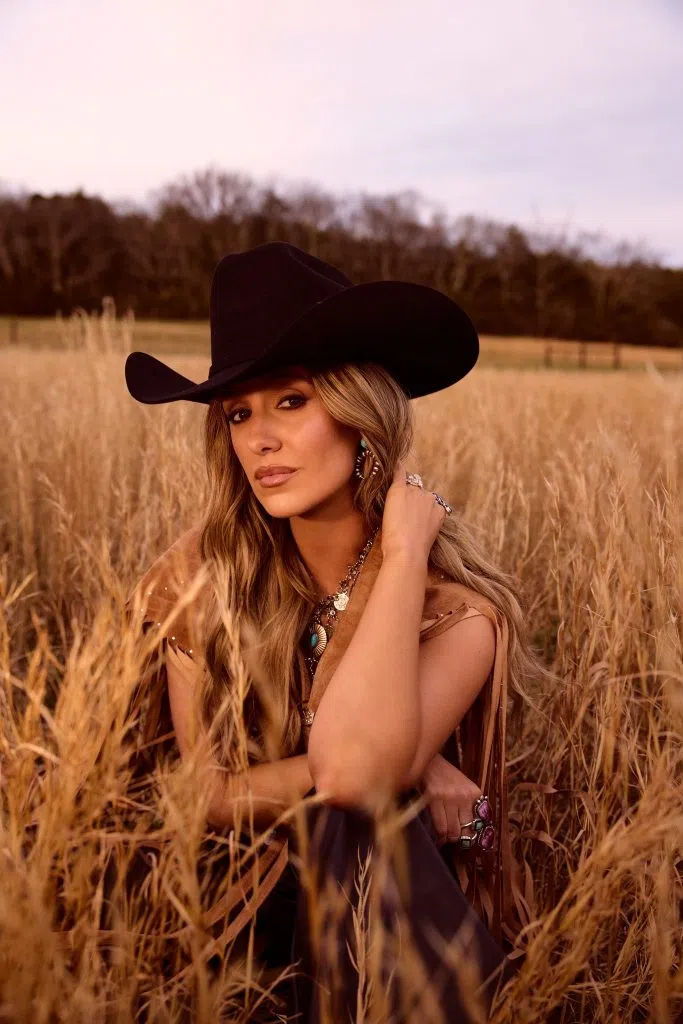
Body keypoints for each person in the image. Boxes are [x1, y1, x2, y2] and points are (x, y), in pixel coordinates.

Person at [122, 241, 546, 1022]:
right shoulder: (202, 580)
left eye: (291, 402)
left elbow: (349, 776)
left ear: (362, 419)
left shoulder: (458, 615)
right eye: (238, 414)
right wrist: (412, 766)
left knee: (362, 821)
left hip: (373, 926)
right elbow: (203, 797)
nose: (259, 439)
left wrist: (404, 555)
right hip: (224, 909)